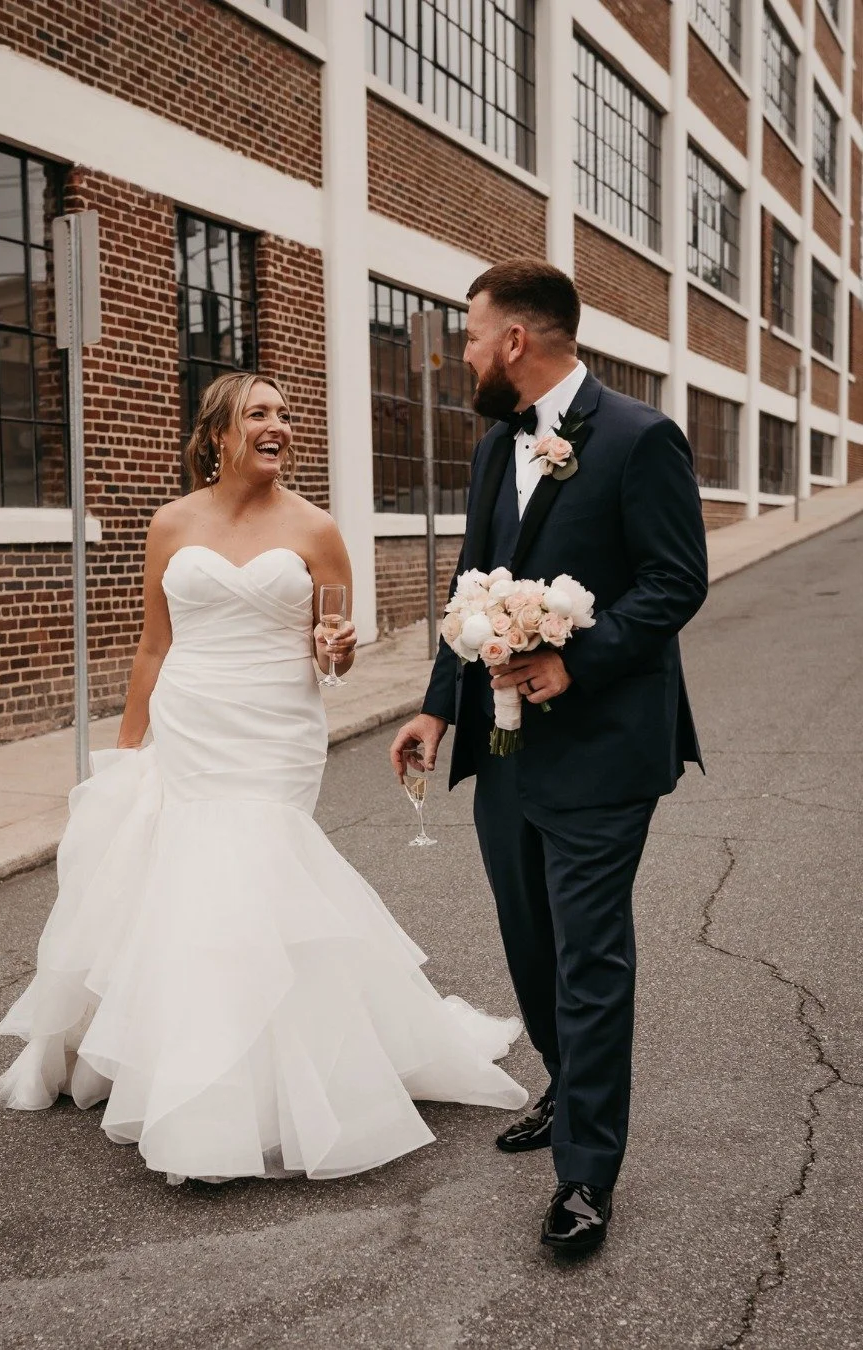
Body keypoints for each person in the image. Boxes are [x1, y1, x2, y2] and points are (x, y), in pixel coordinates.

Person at [0, 371, 527, 1183]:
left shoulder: (315, 529)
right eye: (259, 414)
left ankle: (264, 1080)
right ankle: (193, 1067)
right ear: (217, 435)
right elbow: (152, 646)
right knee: (190, 884)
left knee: (256, 872)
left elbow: (338, 647)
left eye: (284, 414)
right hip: (191, 719)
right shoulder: (171, 523)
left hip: (277, 730)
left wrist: (339, 649)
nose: (279, 425)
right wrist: (129, 749)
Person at [390, 260, 708, 1252]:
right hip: (502, 743)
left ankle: (586, 1174)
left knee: (588, 956)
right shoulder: (496, 444)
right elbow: (471, 582)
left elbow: (675, 583)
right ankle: (567, 1088)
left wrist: (580, 662)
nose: (467, 358)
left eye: (475, 339)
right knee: (531, 944)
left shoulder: (641, 438)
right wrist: (439, 709)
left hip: (606, 750)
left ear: (517, 343)